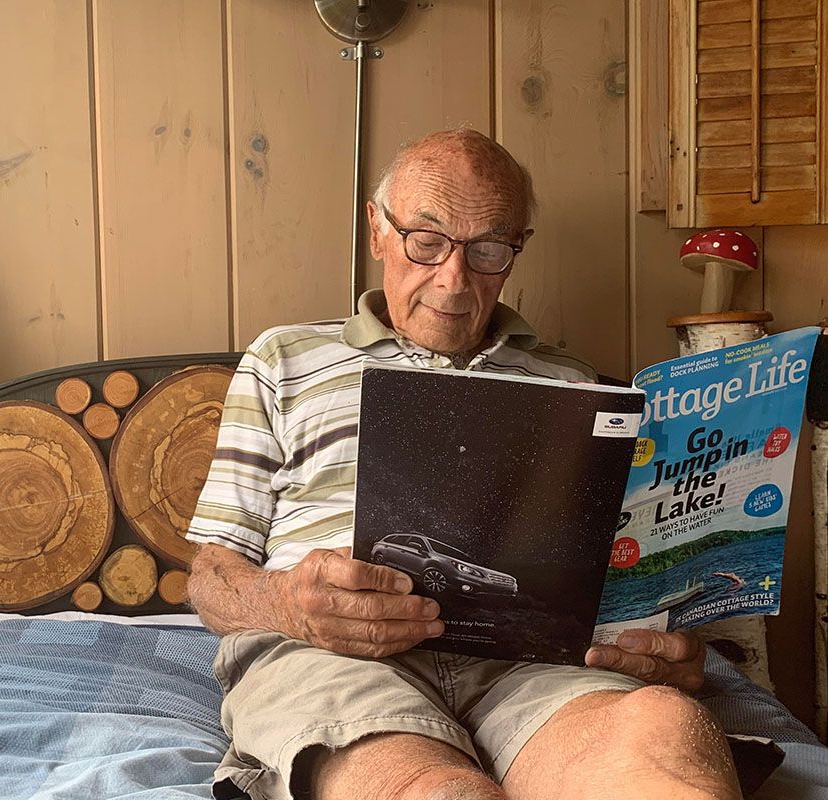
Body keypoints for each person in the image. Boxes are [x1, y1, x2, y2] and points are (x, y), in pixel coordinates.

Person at [186, 128, 741, 800]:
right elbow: (211, 576)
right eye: (426, 242)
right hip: (334, 652)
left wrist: (655, 636)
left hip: (535, 658)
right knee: (435, 792)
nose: (453, 280)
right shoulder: (283, 360)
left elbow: (619, 560)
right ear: (376, 231)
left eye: (487, 250)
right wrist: (287, 603)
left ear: (516, 250)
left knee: (661, 734)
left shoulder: (572, 383)